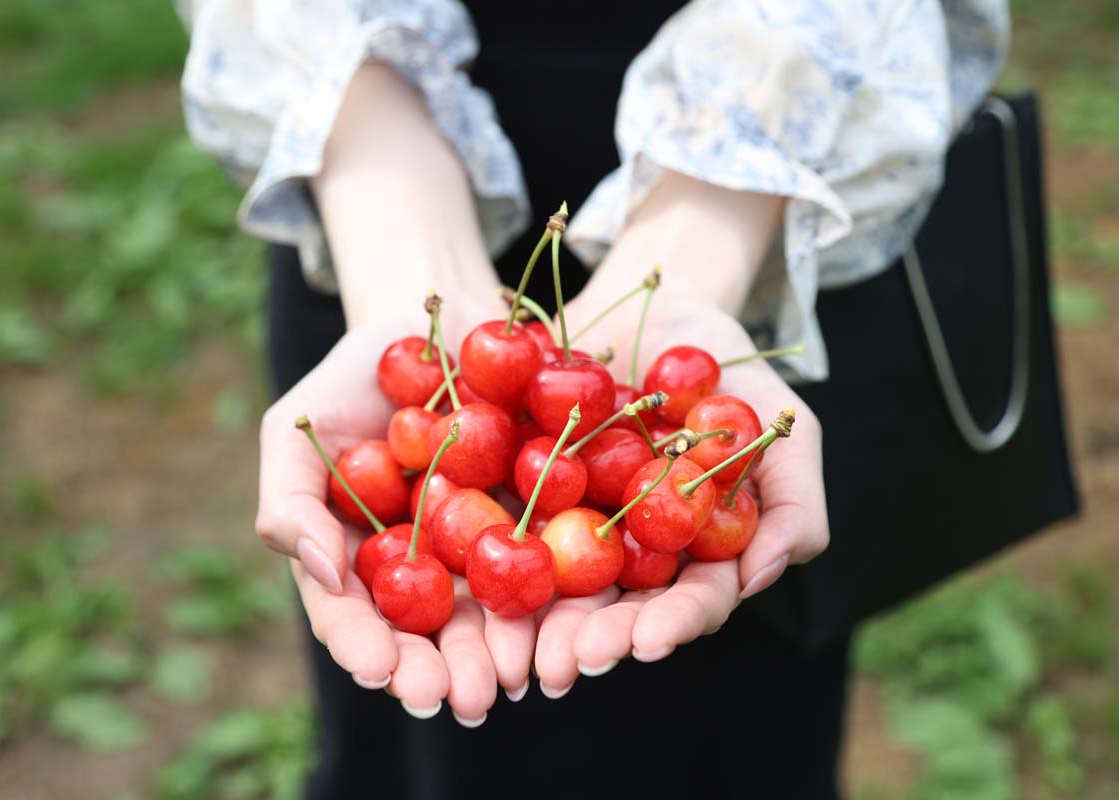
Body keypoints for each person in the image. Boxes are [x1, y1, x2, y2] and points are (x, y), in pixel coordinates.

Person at [177, 1, 1010, 796]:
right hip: (371, 181)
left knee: (737, 729)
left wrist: (702, 243)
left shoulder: (657, 463)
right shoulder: (419, 423)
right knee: (412, 756)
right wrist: (399, 242)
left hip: (776, 183)